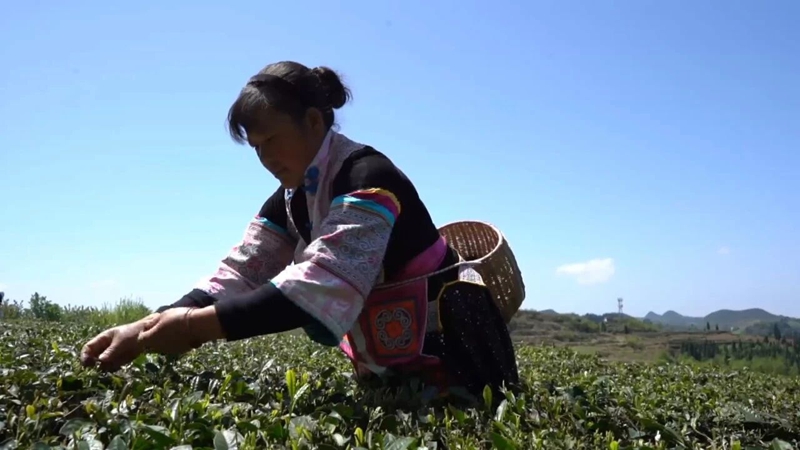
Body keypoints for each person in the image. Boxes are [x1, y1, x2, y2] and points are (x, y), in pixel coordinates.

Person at [80, 61, 522, 398]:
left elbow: (324, 282)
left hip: (457, 357)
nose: (265, 157)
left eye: (271, 140)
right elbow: (241, 271)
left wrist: (195, 329)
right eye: (256, 147)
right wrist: (144, 327)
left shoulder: (369, 177)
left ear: (314, 121)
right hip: (392, 365)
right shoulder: (292, 195)